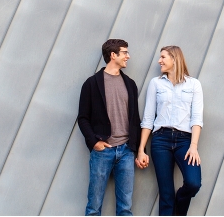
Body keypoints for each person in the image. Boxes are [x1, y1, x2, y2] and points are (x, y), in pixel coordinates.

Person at [136, 46, 203, 216]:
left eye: (163, 57)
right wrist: (141, 149)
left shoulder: (194, 84)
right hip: (160, 140)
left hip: (185, 141)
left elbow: (197, 118)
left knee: (193, 183)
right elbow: (148, 118)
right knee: (166, 194)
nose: (160, 61)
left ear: (174, 59)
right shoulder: (156, 83)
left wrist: (193, 146)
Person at [78, 39, 142, 216]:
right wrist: (94, 143)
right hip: (102, 151)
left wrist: (135, 148)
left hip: (126, 151)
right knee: (94, 207)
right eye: (125, 53)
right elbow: (82, 118)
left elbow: (135, 118)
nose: (128, 56)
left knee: (125, 208)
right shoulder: (91, 84)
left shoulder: (130, 84)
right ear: (113, 55)